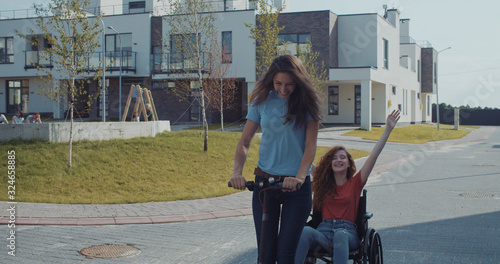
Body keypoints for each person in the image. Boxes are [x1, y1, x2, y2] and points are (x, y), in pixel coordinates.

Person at [229, 54, 322, 263]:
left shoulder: (308, 103)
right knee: (266, 255)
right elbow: (245, 141)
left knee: (286, 254)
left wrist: (298, 178)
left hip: (296, 189)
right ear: (271, 79)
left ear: (298, 81)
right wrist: (237, 173)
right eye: (278, 83)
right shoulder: (261, 101)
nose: (283, 89)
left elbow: (310, 146)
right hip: (265, 185)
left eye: (289, 84)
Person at [294, 110, 400, 264]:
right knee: (305, 231)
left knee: (340, 235)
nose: (338, 160)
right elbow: (305, 158)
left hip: (347, 234)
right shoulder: (323, 183)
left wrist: (388, 129)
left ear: (349, 163)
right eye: (334, 158)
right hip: (323, 232)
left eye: (342, 157)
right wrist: (294, 132)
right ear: (330, 164)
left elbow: (374, 156)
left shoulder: (356, 182)